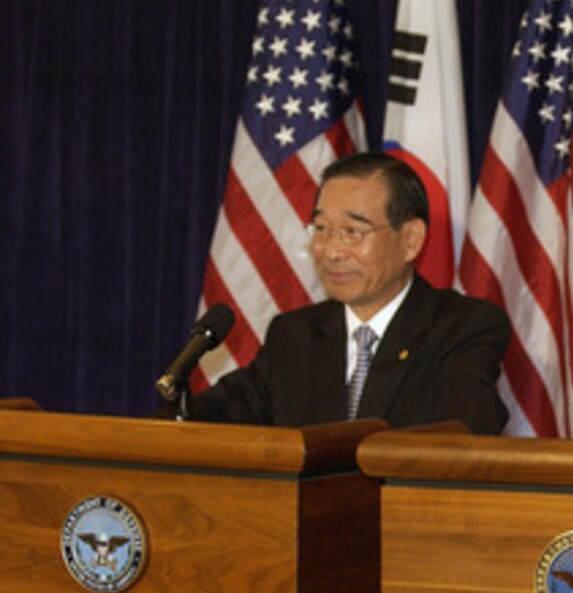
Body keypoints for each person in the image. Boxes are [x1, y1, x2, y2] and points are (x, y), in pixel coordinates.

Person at [162, 152, 511, 434]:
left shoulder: (462, 326)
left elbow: (465, 431)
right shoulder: (294, 335)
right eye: (322, 229)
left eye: (351, 232)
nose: (330, 251)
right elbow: (216, 416)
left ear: (410, 240)